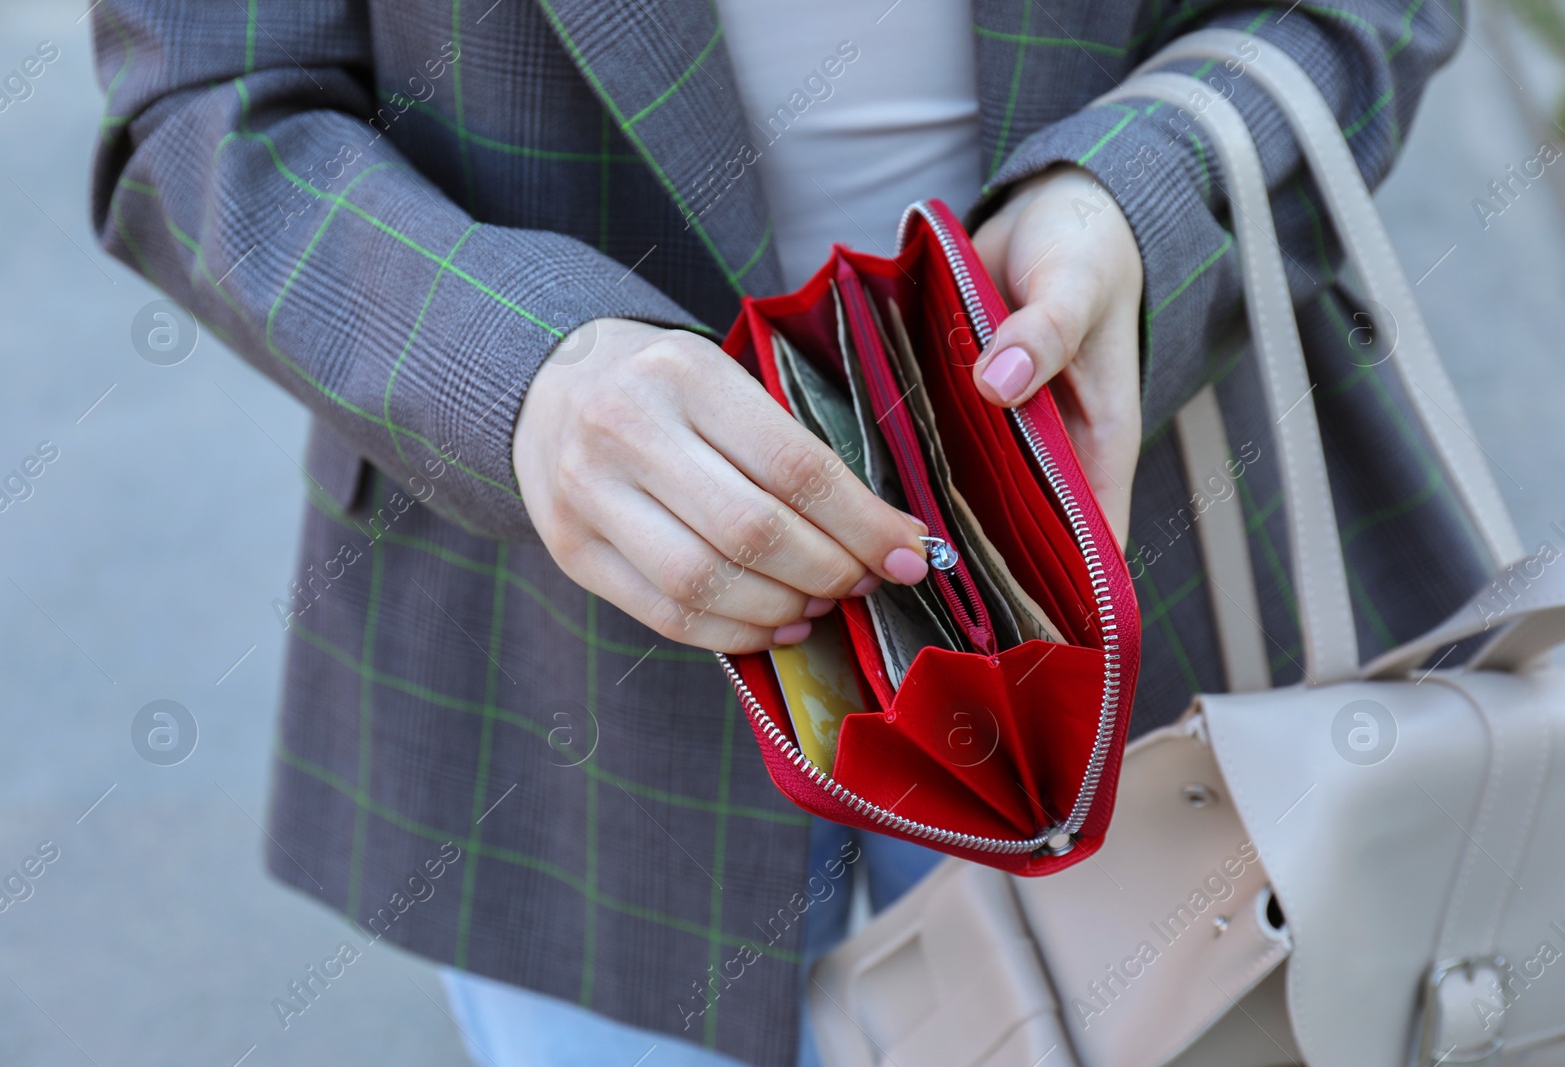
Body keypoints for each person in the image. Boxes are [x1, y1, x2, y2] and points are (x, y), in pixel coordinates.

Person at [90, 1, 1483, 1064]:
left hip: (1156, 573)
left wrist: (1142, 196)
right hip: (564, 690)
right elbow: (213, 101)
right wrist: (515, 373)